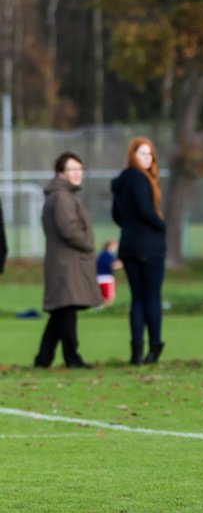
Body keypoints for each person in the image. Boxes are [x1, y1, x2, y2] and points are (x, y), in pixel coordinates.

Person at [35, 152, 99, 369]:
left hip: (64, 262)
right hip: (66, 263)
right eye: (72, 169)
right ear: (61, 172)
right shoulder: (62, 197)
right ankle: (72, 357)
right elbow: (68, 229)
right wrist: (88, 243)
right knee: (67, 310)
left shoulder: (60, 195)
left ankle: (43, 359)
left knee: (61, 312)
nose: (77, 173)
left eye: (79, 169)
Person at [111, 137, 166, 365]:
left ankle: (136, 350)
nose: (146, 158)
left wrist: (130, 227)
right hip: (149, 246)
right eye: (141, 154)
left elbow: (116, 214)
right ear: (132, 155)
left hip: (129, 245)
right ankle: (153, 348)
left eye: (149, 154)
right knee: (151, 298)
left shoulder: (121, 181)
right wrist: (162, 225)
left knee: (137, 299)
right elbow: (145, 209)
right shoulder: (140, 179)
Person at [96, 240, 120, 305]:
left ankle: (99, 309)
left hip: (98, 278)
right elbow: (112, 266)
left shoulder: (100, 254)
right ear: (110, 246)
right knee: (108, 297)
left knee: (100, 296)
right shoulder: (108, 255)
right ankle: (106, 310)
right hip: (107, 278)